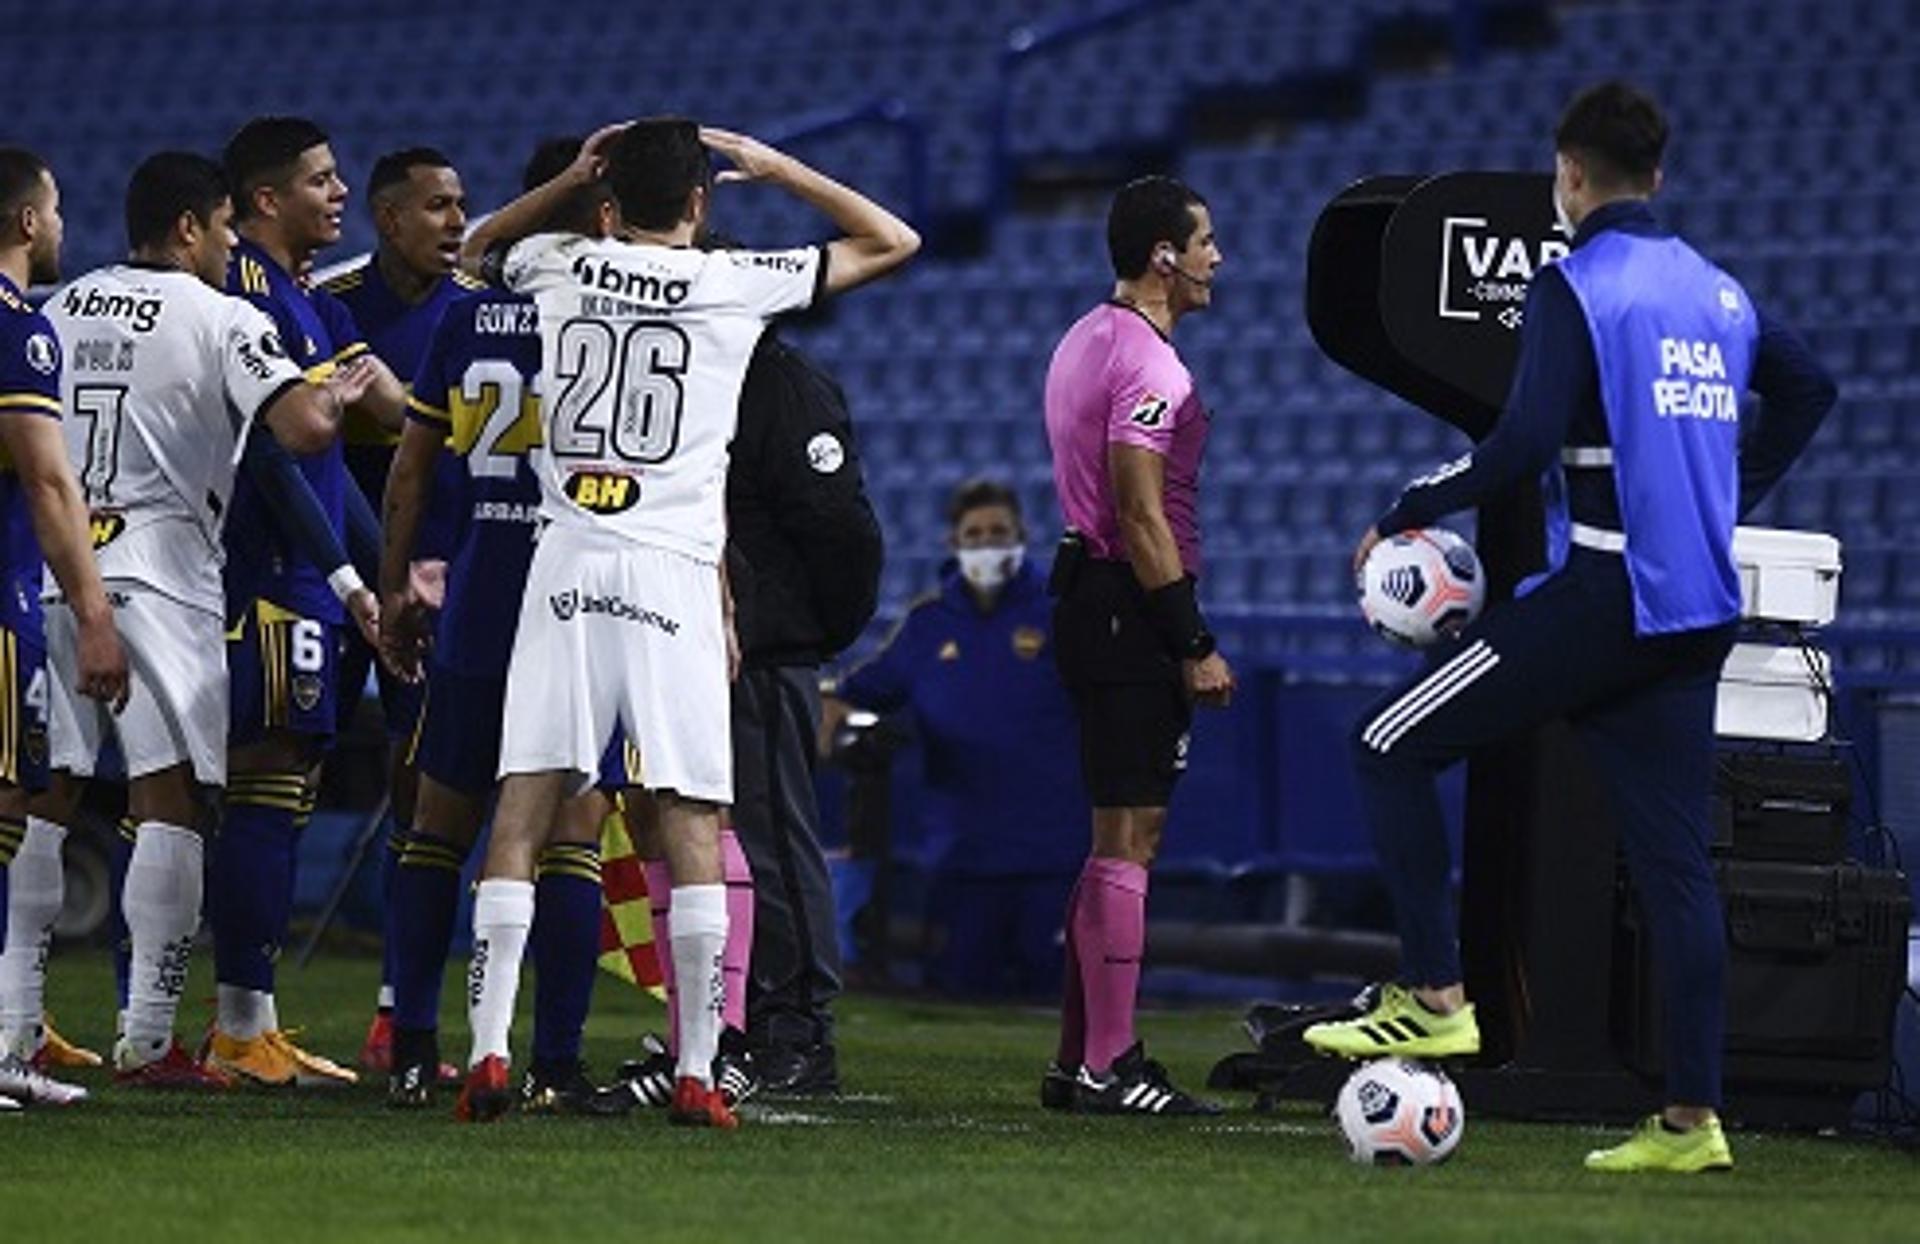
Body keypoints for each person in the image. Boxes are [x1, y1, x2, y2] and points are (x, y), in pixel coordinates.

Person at [1301, 81, 1838, 1174]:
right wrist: (1730, 487)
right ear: (1660, 175)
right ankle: (1694, 1121)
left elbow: (1517, 446)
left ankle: (1437, 999)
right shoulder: (1718, 293)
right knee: (1676, 867)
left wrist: (1406, 505)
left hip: (1605, 594)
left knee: (1387, 744)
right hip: (1695, 612)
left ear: (1572, 176)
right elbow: (1812, 386)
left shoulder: (1578, 283)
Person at [452, 116, 917, 1127]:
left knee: (524, 807)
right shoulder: (732, 280)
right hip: (671, 576)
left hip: (568, 559)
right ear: (700, 204)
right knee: (693, 816)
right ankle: (702, 1063)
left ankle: (487, 1050)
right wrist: (778, 165)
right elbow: (893, 240)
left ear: (608, 203)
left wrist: (567, 174)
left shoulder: (563, 263)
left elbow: (470, 248)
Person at [23, 150, 371, 1091]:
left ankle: (18, 1027)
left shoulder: (60, 306)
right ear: (189, 228)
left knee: (46, 799)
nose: (230, 248)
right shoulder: (223, 315)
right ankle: (146, 1040)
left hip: (65, 573)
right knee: (167, 801)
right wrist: (333, 395)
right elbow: (301, 431)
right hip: (165, 580)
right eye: (222, 231)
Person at [377, 135, 659, 1113]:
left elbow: (411, 473)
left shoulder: (466, 315)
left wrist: (393, 594)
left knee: (437, 828)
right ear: (607, 211)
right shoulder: (619, 317)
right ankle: (557, 1063)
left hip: (483, 592)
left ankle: (413, 1046)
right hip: (579, 595)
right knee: (572, 835)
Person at [208, 115, 405, 1086]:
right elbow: (275, 453)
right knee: (260, 784)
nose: (340, 194)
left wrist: (385, 577)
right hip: (271, 572)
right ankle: (234, 1026)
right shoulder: (247, 286)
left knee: (279, 793)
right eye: (322, 181)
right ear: (265, 198)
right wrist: (348, 578)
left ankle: (253, 1020)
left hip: (311, 571)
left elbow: (348, 472)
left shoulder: (313, 303)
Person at [1041, 174, 1232, 1116]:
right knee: (1133, 835)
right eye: (1204, 242)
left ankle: (1080, 1057)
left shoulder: (1085, 336)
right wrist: (1191, 638)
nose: (1215, 259)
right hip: (1129, 603)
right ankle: (1110, 1064)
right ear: (1165, 254)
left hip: (1091, 595)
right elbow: (1140, 511)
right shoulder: (1154, 368)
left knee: (1111, 835)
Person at [322, 145, 483, 1076]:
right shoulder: (340, 305)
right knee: (266, 782)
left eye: (462, 204)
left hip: (430, 593)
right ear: (389, 219)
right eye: (437, 206)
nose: (456, 220)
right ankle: (212, 1012)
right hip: (336, 576)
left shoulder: (478, 309)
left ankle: (398, 1012)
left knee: (416, 790)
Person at [826, 479, 1086, 999]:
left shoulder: (1061, 614)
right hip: (961, 858)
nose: (987, 543)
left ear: (1022, 536)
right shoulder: (927, 624)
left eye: (998, 532)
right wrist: (824, 722)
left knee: (1058, 1002)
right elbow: (858, 691)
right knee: (958, 997)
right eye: (975, 533)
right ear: (954, 543)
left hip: (1053, 855)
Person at [0, 147, 130, 1109]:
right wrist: (93, 615)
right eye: (53, 209)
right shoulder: (19, 330)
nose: (59, 226)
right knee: (4, 809)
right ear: (25, 223)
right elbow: (48, 480)